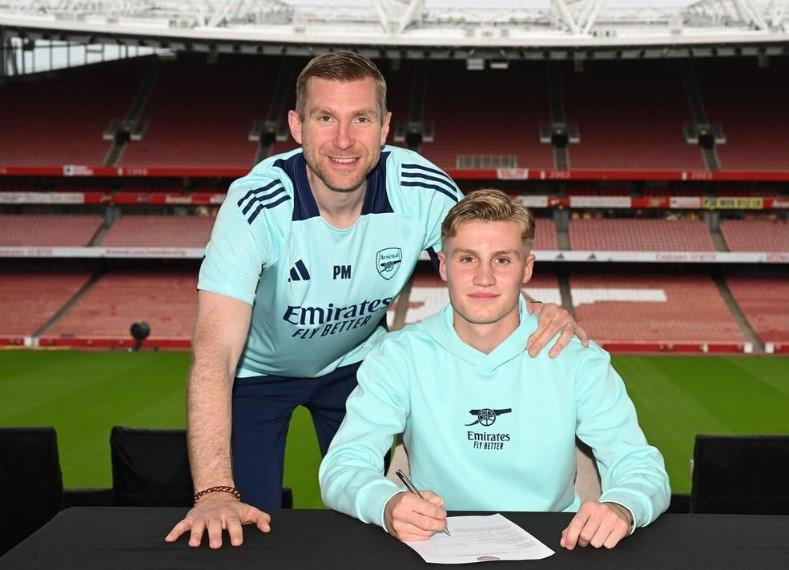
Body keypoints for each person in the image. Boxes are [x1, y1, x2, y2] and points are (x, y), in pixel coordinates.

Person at [166, 52, 587, 550]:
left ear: (385, 127)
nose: (344, 140)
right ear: (297, 126)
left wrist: (539, 308)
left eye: (361, 118)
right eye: (326, 118)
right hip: (260, 375)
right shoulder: (256, 205)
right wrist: (212, 490)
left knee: (373, 521)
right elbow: (214, 351)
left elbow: (485, 260)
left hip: (356, 365)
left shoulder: (423, 190)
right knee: (244, 525)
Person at [319, 189, 670, 550]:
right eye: (467, 259)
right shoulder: (398, 355)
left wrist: (622, 506)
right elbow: (343, 464)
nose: (484, 278)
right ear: (443, 266)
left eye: (502, 260)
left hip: (555, 544)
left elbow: (638, 463)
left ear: (527, 268)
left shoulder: (577, 358)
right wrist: (386, 502)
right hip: (434, 542)